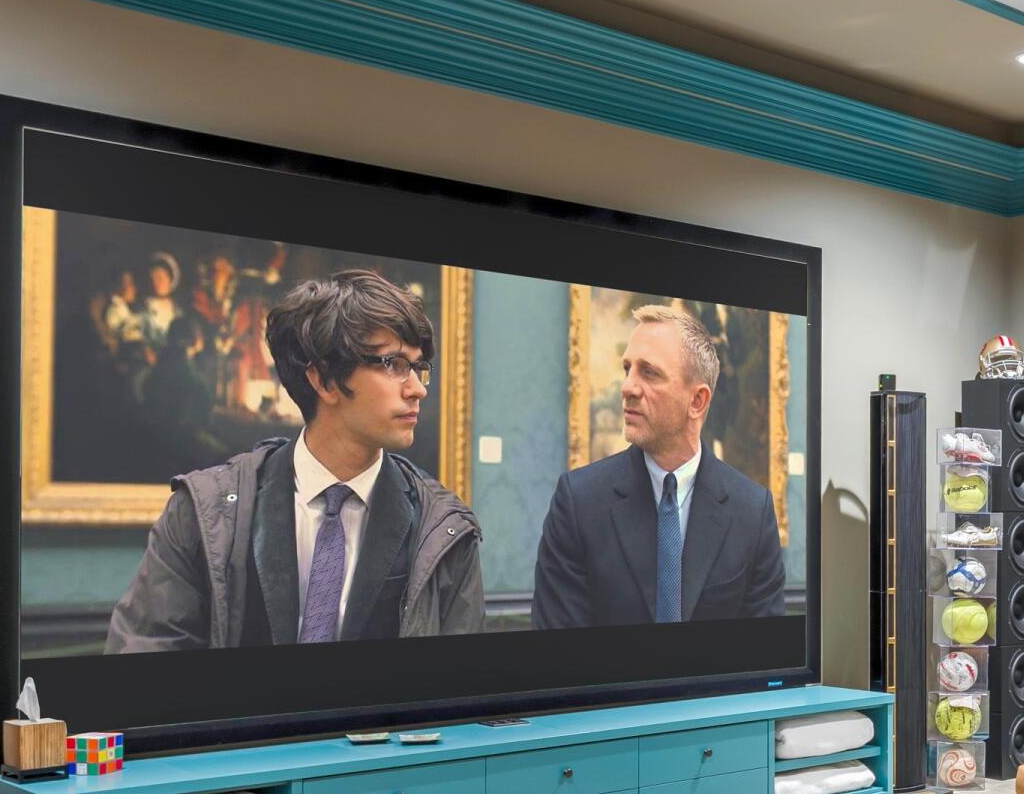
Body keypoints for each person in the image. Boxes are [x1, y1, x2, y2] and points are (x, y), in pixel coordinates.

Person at [105, 268, 482, 650]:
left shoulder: (445, 530)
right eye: (395, 365)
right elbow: (145, 661)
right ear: (324, 380)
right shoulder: (202, 511)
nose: (417, 389)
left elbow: (460, 686)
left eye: (419, 368)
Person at [530, 302, 787, 628]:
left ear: (697, 401)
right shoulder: (579, 503)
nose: (628, 387)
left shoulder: (752, 511)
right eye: (627, 369)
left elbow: (762, 657)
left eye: (649, 373)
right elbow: (558, 657)